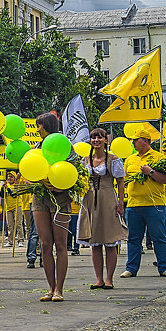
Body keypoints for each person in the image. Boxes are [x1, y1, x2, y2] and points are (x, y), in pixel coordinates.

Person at [120, 124, 166, 278]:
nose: (132, 143)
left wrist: (150, 172)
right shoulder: (130, 159)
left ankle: (164, 267)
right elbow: (123, 181)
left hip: (155, 204)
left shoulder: (159, 158)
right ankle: (131, 268)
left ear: (145, 141)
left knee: (159, 237)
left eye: (135, 140)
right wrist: (120, 202)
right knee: (133, 239)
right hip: (133, 205)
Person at [29, 112, 73, 301]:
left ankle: (59, 289)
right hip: (40, 197)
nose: (37, 129)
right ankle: (50, 287)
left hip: (61, 198)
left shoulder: (65, 144)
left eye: (39, 125)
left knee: (61, 245)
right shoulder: (36, 147)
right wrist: (40, 179)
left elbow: (74, 170)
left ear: (47, 125)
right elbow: (29, 171)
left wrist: (60, 183)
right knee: (45, 244)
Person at [78, 127, 126, 289]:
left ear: (106, 140)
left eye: (100, 138)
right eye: (93, 138)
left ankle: (109, 279)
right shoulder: (85, 160)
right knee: (95, 242)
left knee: (110, 240)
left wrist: (120, 203)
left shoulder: (113, 159)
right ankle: (99, 279)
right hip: (90, 199)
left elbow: (120, 181)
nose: (96, 140)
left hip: (107, 198)